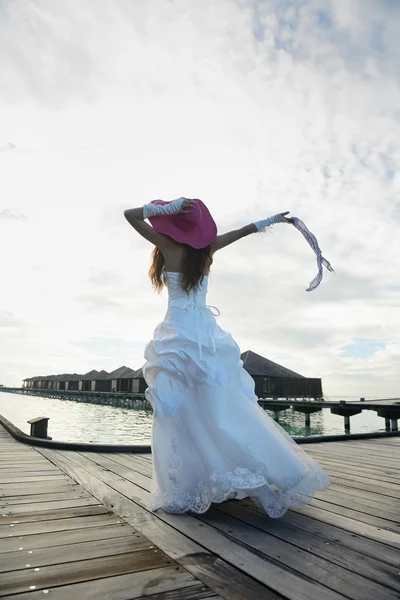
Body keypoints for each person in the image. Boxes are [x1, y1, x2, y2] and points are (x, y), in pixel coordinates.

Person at [124, 197, 330, 517]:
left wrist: (167, 208)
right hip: (204, 336)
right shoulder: (206, 251)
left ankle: (194, 483)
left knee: (177, 412)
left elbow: (130, 215)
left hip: (178, 335)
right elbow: (243, 231)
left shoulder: (167, 246)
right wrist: (273, 220)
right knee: (220, 405)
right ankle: (225, 473)